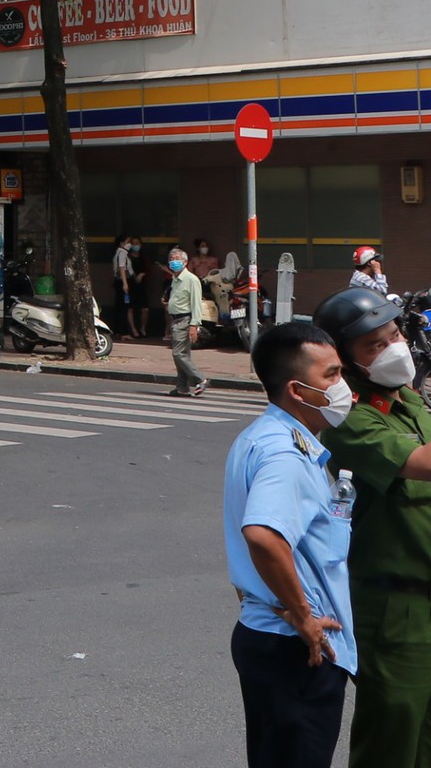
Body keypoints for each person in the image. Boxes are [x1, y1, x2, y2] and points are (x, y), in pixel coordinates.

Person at [223, 322, 357, 768]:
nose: (343, 387)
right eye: (332, 376)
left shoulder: (261, 437)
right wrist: (301, 615)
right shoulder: (286, 453)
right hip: (296, 648)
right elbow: (261, 535)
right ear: (298, 390)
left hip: (268, 634)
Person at [312, 285, 431, 768]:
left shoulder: (408, 401)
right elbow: (422, 463)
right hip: (394, 608)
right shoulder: (350, 418)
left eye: (395, 334)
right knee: (392, 738)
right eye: (374, 345)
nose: (393, 348)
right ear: (347, 360)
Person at [167, 246, 209, 398]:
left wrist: (194, 325)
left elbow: (196, 303)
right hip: (176, 320)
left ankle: (200, 379)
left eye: (177, 259)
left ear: (185, 262)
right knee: (182, 355)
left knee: (178, 353)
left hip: (185, 320)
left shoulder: (191, 279)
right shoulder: (175, 279)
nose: (173, 262)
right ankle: (182, 387)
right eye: (171, 259)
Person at [110, 234, 136, 335]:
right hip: (123, 281)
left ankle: (119, 331)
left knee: (121, 306)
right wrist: (125, 283)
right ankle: (124, 332)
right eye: (128, 242)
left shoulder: (120, 252)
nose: (130, 244)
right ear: (122, 243)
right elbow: (122, 268)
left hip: (121, 281)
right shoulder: (122, 253)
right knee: (124, 307)